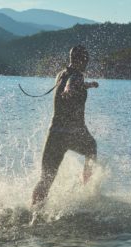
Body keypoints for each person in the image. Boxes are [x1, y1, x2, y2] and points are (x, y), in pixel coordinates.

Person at [31, 45, 98, 208]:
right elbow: (72, 83)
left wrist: (89, 85)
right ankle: (86, 189)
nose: (87, 64)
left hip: (55, 134)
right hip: (73, 134)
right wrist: (69, 89)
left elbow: (73, 82)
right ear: (82, 60)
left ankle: (33, 210)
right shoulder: (75, 77)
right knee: (91, 147)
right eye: (86, 61)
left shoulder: (61, 74)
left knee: (46, 179)